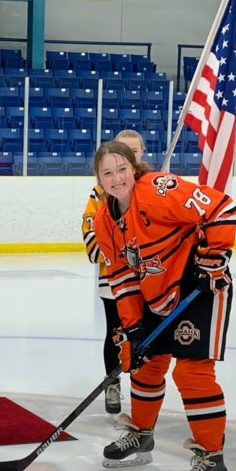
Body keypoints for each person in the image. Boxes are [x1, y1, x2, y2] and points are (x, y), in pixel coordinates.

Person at [91, 139, 236, 471]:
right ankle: (141, 434)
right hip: (156, 293)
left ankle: (212, 458)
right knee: (146, 363)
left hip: (199, 286)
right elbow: (123, 277)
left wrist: (214, 256)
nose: (116, 178)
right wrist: (132, 326)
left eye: (121, 169)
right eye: (107, 173)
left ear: (133, 167)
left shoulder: (157, 189)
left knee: (191, 373)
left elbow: (222, 207)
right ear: (98, 178)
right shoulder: (103, 219)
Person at [81, 129, 146, 416]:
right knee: (116, 333)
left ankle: (145, 392)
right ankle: (112, 383)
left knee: (146, 337)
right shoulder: (99, 195)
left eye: (134, 152)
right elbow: (94, 248)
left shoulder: (154, 190)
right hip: (115, 281)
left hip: (150, 279)